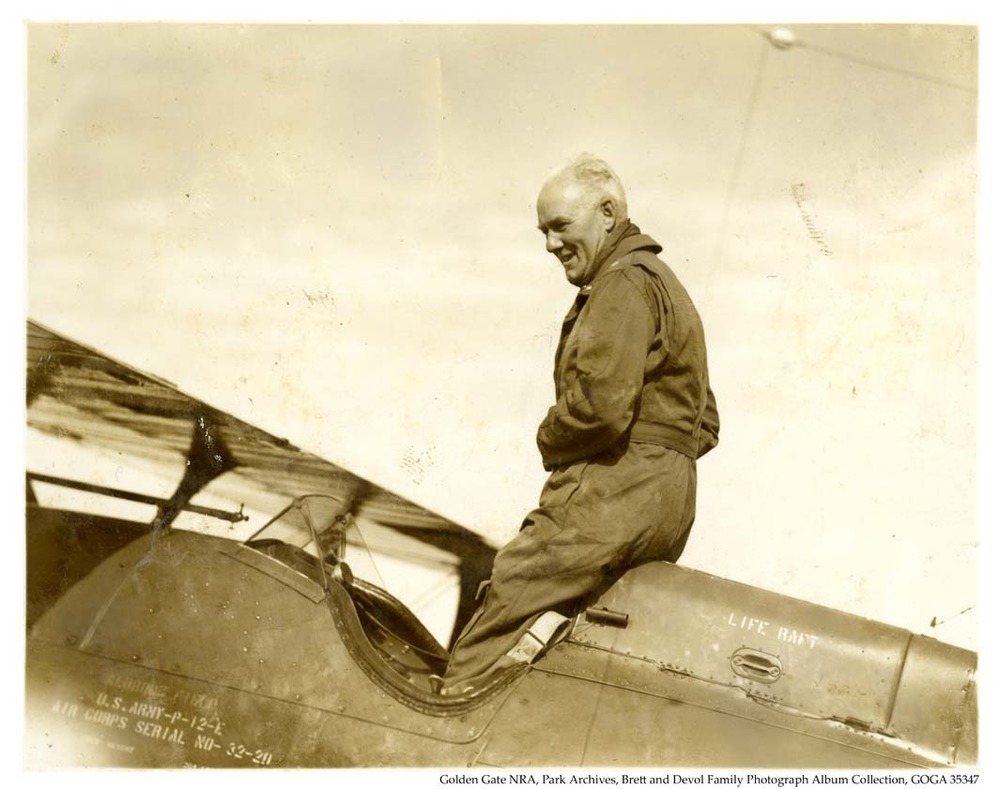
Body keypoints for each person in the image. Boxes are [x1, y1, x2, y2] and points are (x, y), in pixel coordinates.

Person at [440, 154, 719, 694]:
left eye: (560, 226)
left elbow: (600, 409)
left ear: (608, 213)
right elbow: (705, 422)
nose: (549, 244)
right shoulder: (667, 286)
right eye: (543, 231)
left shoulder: (621, 285)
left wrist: (550, 437)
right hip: (670, 500)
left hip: (615, 491)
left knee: (514, 585)